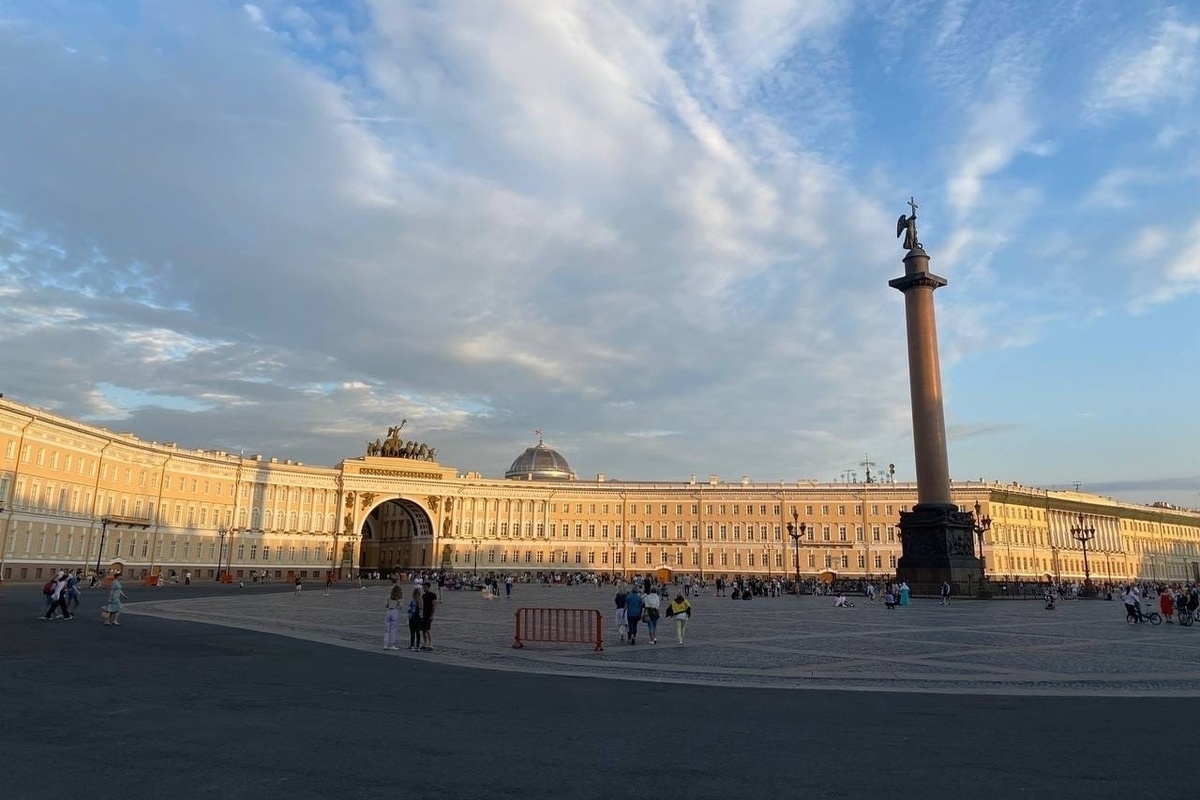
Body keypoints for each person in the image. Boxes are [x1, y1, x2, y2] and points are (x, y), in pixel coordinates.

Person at [383, 584, 403, 650]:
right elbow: (400, 607)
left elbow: (386, 605)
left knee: (387, 630)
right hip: (395, 611)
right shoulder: (399, 598)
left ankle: (386, 644)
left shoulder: (389, 597)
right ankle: (392, 644)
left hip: (388, 611)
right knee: (393, 629)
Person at [420, 582, 438, 651]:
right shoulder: (423, 595)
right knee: (423, 630)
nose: (424, 589)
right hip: (423, 614)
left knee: (428, 629)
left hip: (428, 614)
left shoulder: (433, 595)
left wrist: (432, 615)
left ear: (429, 587)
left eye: (425, 588)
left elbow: (434, 606)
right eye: (423, 588)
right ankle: (425, 643)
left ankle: (431, 644)